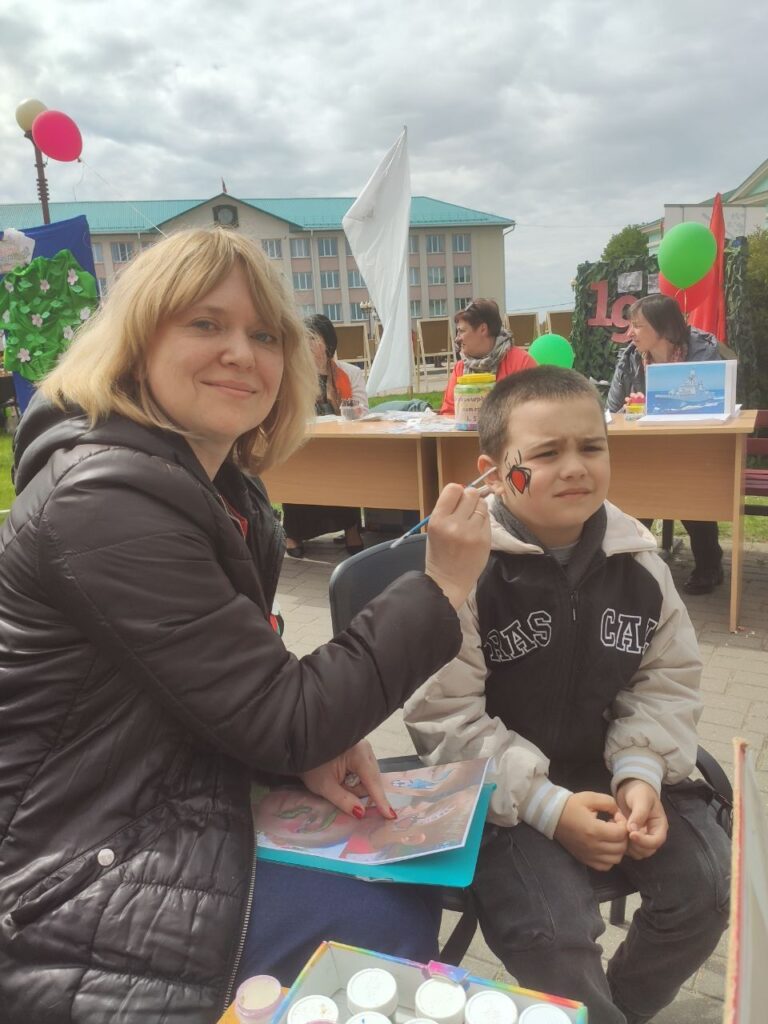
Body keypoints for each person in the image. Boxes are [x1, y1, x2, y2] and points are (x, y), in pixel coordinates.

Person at [0, 228, 492, 1023]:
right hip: (65, 868)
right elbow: (287, 717)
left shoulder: (212, 487)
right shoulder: (104, 502)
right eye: (205, 323)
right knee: (377, 922)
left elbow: (243, 692)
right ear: (137, 342)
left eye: (264, 335)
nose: (241, 352)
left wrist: (308, 744)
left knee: (406, 875)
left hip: (156, 798)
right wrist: (442, 586)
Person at [405, 366, 730, 1024]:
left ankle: (620, 1008)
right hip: (502, 796)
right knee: (551, 935)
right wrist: (549, 808)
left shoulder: (640, 566)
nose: (575, 467)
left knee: (707, 885)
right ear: (496, 474)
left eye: (591, 447)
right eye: (548, 453)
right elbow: (445, 717)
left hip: (615, 768)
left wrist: (641, 772)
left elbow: (665, 680)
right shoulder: (463, 577)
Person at [607, 293, 726, 594]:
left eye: (637, 325)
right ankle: (633, 564)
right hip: (646, 448)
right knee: (637, 494)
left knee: (690, 491)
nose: (630, 333)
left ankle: (709, 565)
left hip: (695, 448)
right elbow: (613, 408)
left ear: (664, 328)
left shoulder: (703, 352)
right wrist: (629, 409)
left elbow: (715, 399)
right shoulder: (630, 358)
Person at [283, 313, 366, 558]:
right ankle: (293, 533)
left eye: (312, 338)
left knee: (344, 465)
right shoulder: (294, 375)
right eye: (303, 338)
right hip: (305, 444)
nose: (306, 344)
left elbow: (363, 411)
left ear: (327, 343)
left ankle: (351, 528)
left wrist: (338, 403)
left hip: (341, 444)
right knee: (297, 466)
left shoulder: (349, 373)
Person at [439, 298, 536, 416]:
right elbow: (448, 413)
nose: (457, 339)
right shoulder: (460, 368)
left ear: (483, 329)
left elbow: (534, 411)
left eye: (462, 331)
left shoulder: (521, 364)